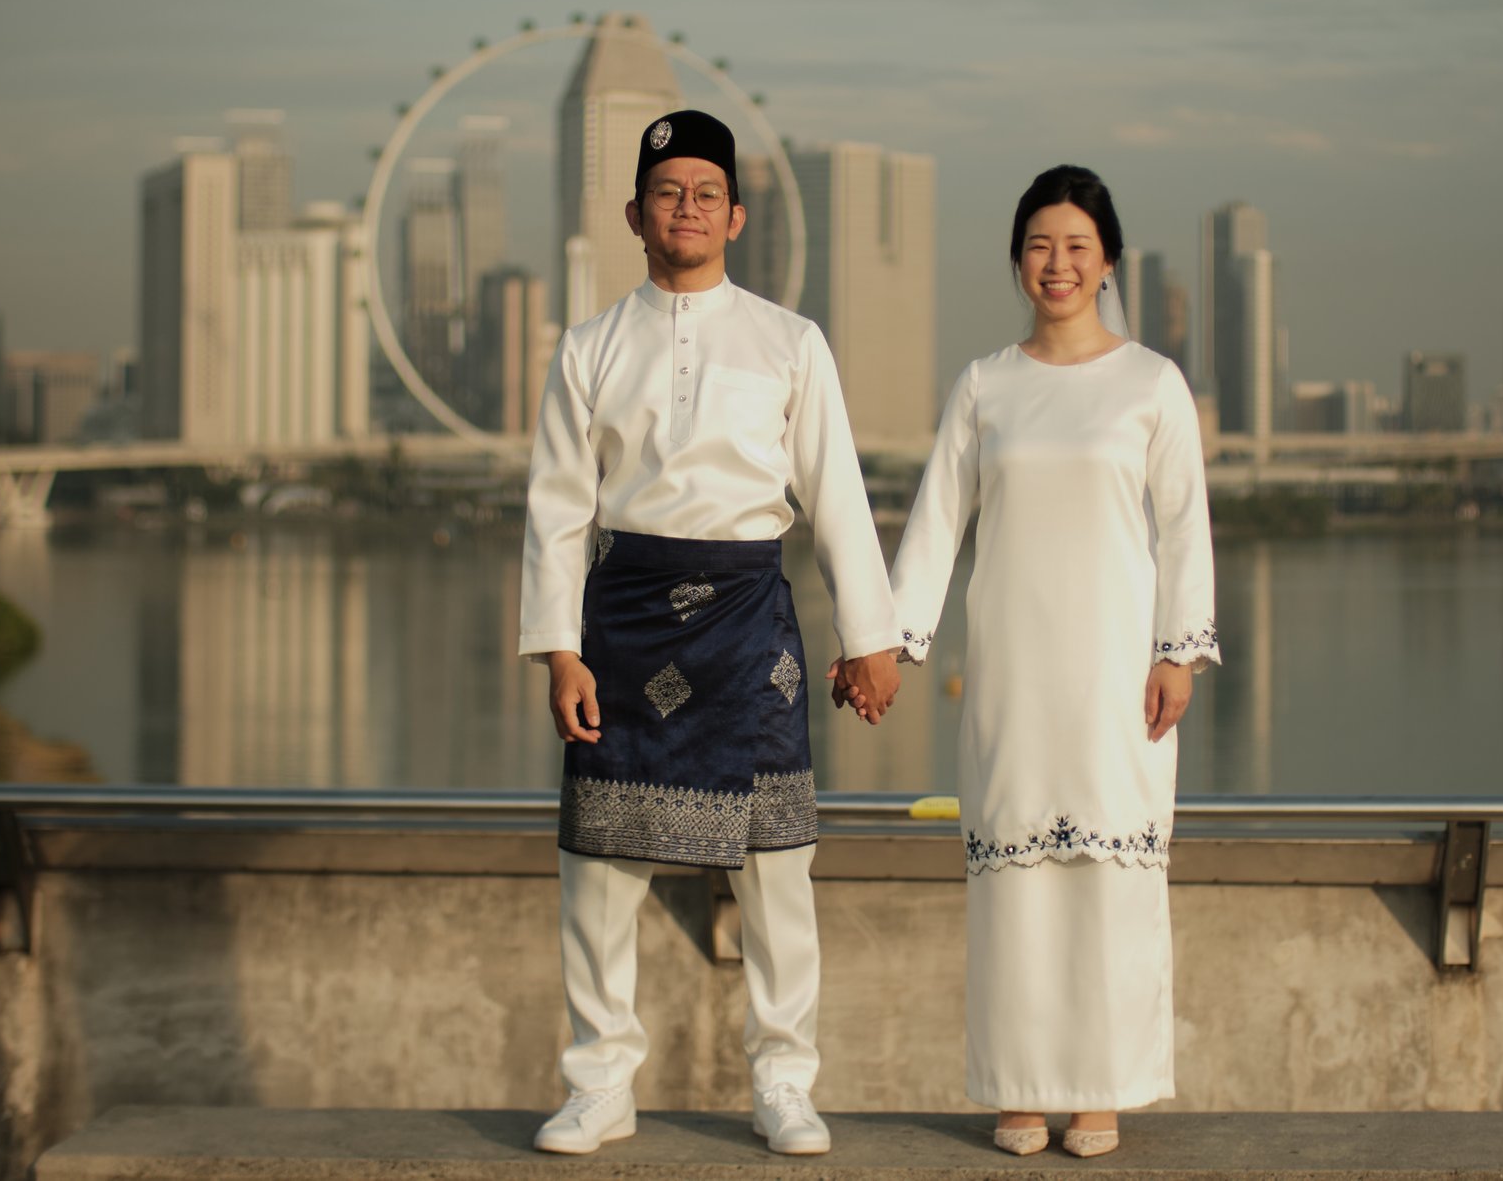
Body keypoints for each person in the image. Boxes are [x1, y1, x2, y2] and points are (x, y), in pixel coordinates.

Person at [520, 108, 905, 1158]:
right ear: (634, 213)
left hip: (749, 622)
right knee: (598, 866)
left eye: (704, 193)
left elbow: (834, 493)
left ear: (734, 214)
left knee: (778, 863)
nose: (684, 208)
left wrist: (873, 635)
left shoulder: (790, 339)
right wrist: (560, 648)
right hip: (624, 620)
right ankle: (598, 1082)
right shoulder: (589, 344)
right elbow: (557, 506)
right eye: (665, 192)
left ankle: (784, 1080)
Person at [863, 163, 1217, 1159]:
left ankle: (1099, 1087)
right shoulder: (986, 384)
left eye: (1075, 246)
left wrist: (1177, 649)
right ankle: (1019, 1088)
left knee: (1110, 876)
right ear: (1018, 259)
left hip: (1118, 668)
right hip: (1012, 666)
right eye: (1038, 245)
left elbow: (1185, 526)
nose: (1055, 264)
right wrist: (893, 642)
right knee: (1012, 877)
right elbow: (936, 521)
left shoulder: (1151, 381)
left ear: (1106, 261)